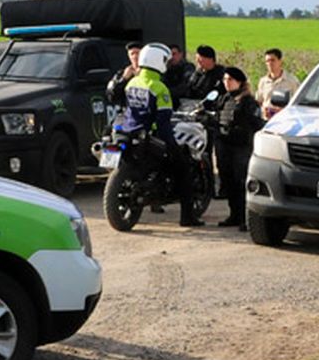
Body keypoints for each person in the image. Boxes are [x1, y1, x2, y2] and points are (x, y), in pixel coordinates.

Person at [123, 42, 201, 227]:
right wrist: (172, 145)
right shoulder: (158, 87)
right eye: (164, 60)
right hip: (151, 136)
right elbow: (164, 123)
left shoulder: (132, 82)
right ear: (158, 62)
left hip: (130, 132)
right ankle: (187, 217)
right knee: (183, 168)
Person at [211, 66, 265, 229]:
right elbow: (219, 117)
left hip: (240, 148)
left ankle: (246, 219)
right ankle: (234, 215)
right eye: (225, 79)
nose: (226, 83)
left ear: (239, 82)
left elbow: (255, 123)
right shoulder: (224, 98)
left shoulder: (248, 102)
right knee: (228, 182)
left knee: (241, 183)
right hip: (224, 145)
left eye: (230, 80)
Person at [256, 47, 300, 120]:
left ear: (280, 61)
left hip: (285, 120)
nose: (270, 63)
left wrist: (282, 111)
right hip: (266, 121)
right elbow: (259, 101)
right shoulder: (263, 82)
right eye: (267, 61)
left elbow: (298, 103)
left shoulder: (291, 81)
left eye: (273, 60)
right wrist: (263, 110)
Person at [105, 42, 142, 110]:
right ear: (129, 56)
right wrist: (124, 78)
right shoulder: (122, 73)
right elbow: (111, 95)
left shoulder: (151, 72)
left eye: (137, 53)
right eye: (132, 54)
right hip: (128, 113)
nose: (135, 56)